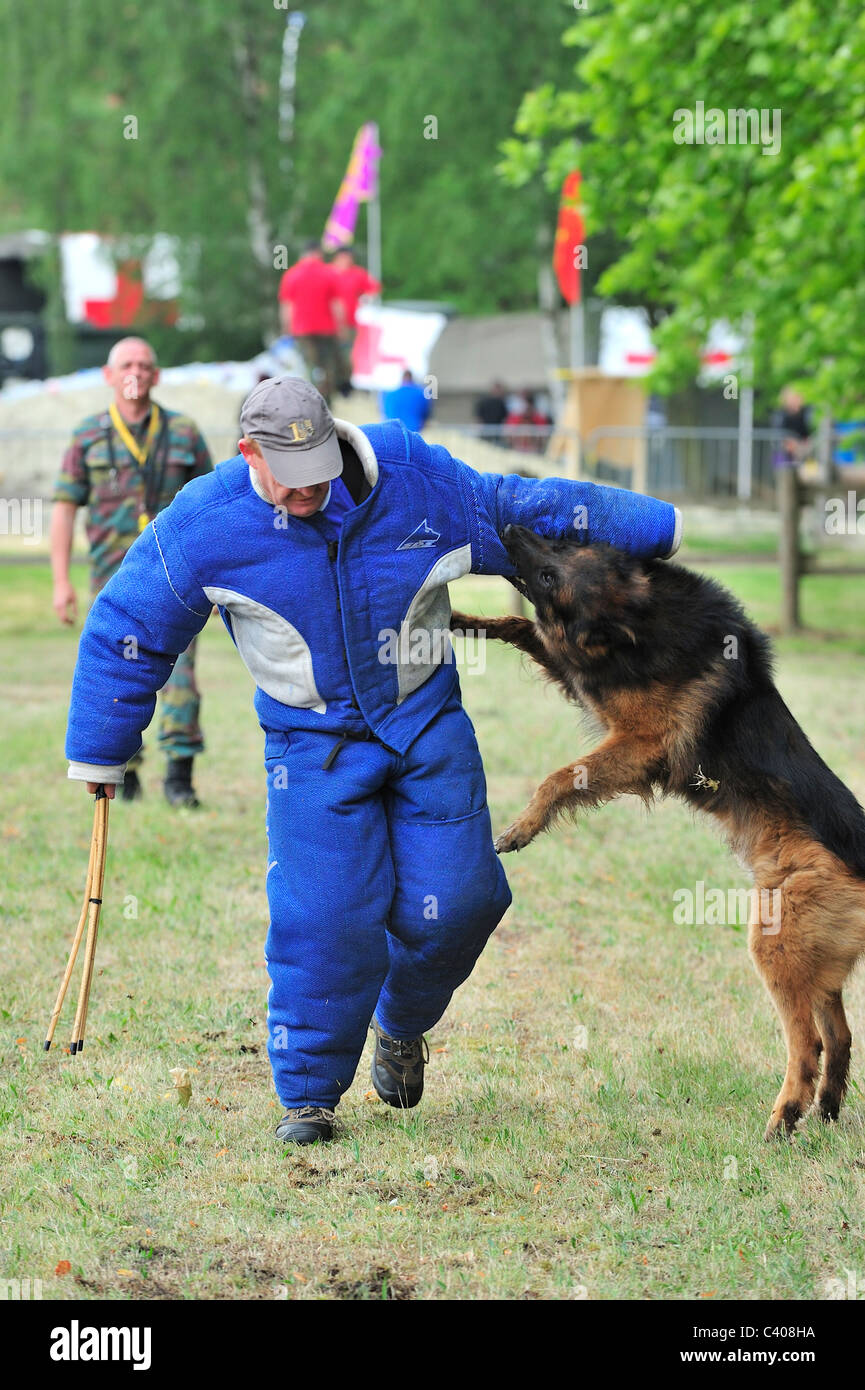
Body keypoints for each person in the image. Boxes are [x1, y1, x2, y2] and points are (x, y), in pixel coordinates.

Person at [63, 376, 682, 1146]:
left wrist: (660, 525)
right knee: (327, 919)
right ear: (247, 454)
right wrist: (100, 746)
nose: (307, 491)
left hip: (426, 729)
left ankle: (402, 1027)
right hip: (310, 749)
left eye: (316, 470)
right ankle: (310, 1097)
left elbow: (521, 509)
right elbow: (129, 623)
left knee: (461, 903)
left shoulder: (412, 480)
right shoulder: (207, 523)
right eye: (287, 480)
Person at [51, 336, 212, 807]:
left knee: (181, 677)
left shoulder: (183, 432)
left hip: (178, 584)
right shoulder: (87, 435)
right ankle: (125, 773)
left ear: (157, 375)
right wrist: (61, 581)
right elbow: (63, 509)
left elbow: (211, 507)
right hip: (113, 587)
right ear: (108, 374)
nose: (136, 372)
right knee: (117, 679)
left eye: (145, 364)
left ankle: (180, 777)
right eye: (126, 364)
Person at [277, 241, 345, 404]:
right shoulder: (329, 273)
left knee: (310, 366)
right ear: (318, 253)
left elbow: (287, 307)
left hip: (302, 330)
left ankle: (311, 400)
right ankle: (326, 400)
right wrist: (341, 327)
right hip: (327, 329)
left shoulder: (291, 275)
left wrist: (286, 328)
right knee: (328, 366)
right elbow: (337, 305)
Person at [330, 248, 380, 395]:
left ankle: (347, 384)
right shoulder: (328, 273)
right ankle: (333, 384)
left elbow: (374, 288)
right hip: (331, 323)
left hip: (351, 322)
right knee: (332, 355)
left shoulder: (357, 273)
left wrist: (366, 300)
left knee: (348, 354)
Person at [474, 381, 508, 445]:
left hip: (497, 431)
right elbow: (479, 418)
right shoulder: (484, 402)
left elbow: (504, 418)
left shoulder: (502, 403)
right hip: (486, 430)